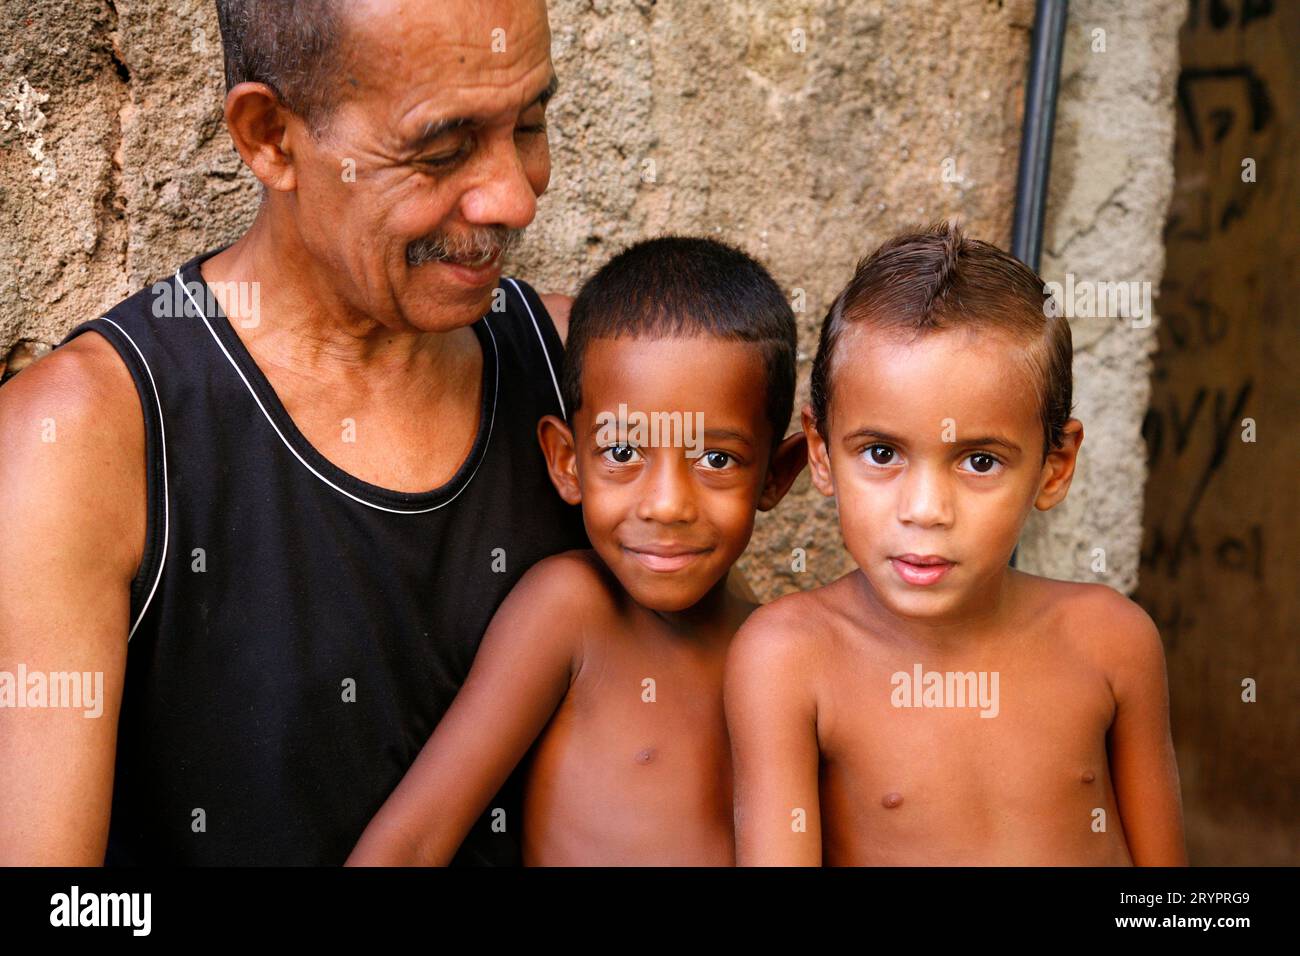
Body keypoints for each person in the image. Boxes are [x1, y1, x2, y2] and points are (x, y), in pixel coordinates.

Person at [0, 0, 591, 865]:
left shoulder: (592, 385)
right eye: (442, 149)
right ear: (271, 135)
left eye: (530, 122)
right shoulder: (82, 440)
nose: (514, 196)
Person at [725, 222, 1187, 866]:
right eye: (882, 453)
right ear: (823, 454)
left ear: (1054, 467)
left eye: (979, 462)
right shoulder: (792, 659)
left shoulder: (1112, 640)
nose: (925, 511)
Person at [346, 237, 807, 865]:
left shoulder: (771, 644)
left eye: (716, 459)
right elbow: (413, 841)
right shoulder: (571, 611)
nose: (666, 505)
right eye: (622, 454)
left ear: (775, 477)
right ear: (567, 463)